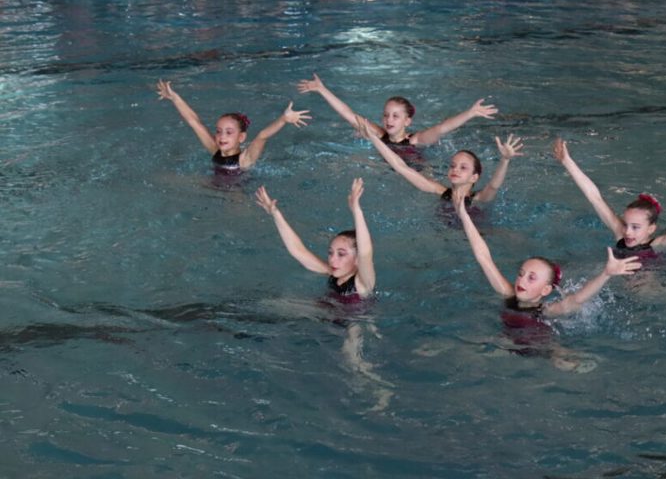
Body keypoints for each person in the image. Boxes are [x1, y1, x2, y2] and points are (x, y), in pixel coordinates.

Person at [452, 193, 641, 370]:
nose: (521, 280)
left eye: (531, 278)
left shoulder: (547, 311)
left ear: (546, 290)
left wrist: (606, 274)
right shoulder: (507, 293)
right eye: (521, 273)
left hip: (544, 350)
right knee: (463, 348)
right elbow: (483, 257)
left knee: (569, 363)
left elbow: (577, 299)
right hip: (505, 343)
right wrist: (464, 215)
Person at [256, 178, 390, 410]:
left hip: (354, 322)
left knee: (351, 361)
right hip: (326, 311)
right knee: (269, 304)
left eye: (341, 254)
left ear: (356, 260)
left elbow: (367, 252)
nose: (333, 259)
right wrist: (275, 213)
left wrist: (356, 210)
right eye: (330, 253)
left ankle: (381, 392)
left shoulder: (362, 283)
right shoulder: (332, 272)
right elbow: (298, 251)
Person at [553, 138, 666, 258]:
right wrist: (567, 162)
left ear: (651, 229)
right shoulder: (620, 234)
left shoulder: (659, 245)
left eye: (635, 227)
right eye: (627, 225)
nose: (627, 232)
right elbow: (594, 197)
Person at [297, 73, 497, 154]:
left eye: (395, 116)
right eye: (386, 115)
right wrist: (322, 90)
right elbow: (348, 114)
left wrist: (470, 113)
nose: (388, 120)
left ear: (407, 121)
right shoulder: (379, 134)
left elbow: (442, 128)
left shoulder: (415, 140)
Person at [355, 115, 522, 207]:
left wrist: (505, 160)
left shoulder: (479, 199)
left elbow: (493, 185)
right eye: (453, 166)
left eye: (463, 167)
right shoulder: (439, 191)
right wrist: (373, 139)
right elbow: (401, 167)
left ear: (474, 177)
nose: (455, 169)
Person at [156, 79, 311, 176]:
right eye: (218, 131)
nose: (222, 136)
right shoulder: (215, 150)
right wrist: (175, 98)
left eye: (229, 132)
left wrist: (283, 119)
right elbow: (194, 122)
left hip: (238, 194)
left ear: (241, 137)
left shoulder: (245, 159)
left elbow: (262, 135)